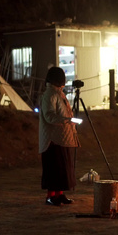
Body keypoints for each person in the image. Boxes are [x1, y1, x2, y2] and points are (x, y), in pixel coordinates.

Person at [39, 67, 81, 206]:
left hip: (62, 137)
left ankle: (60, 194)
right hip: (53, 139)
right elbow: (49, 116)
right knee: (54, 168)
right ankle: (51, 196)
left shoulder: (59, 93)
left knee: (63, 168)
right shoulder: (50, 94)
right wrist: (66, 120)